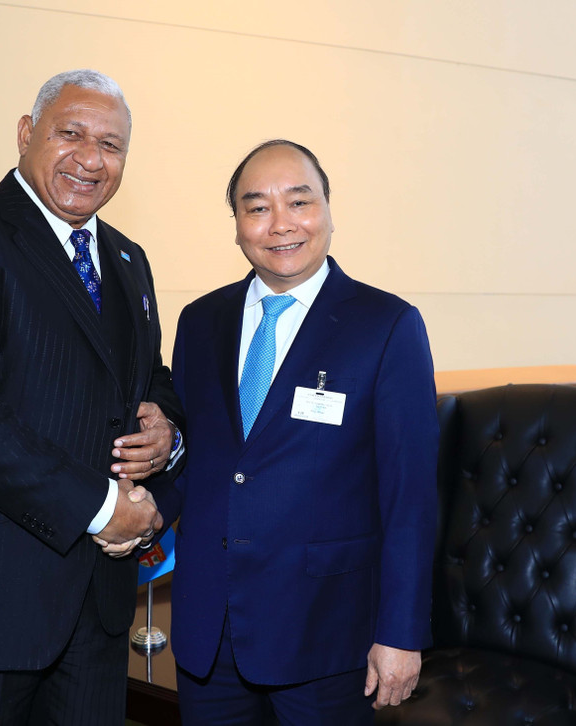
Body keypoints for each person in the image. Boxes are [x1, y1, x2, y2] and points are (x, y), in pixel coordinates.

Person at [0, 69, 184, 725]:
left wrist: (168, 431)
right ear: (27, 133)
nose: (91, 159)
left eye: (111, 145)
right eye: (70, 133)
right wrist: (104, 507)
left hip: (97, 609)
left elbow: (150, 381)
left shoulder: (128, 259)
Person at [153, 140, 439, 725]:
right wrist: (140, 510)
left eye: (299, 202)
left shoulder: (386, 325)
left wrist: (401, 633)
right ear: (236, 225)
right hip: (211, 629)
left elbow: (410, 495)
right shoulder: (200, 321)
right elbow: (195, 461)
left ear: (329, 211)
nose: (280, 224)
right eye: (256, 207)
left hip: (327, 634)